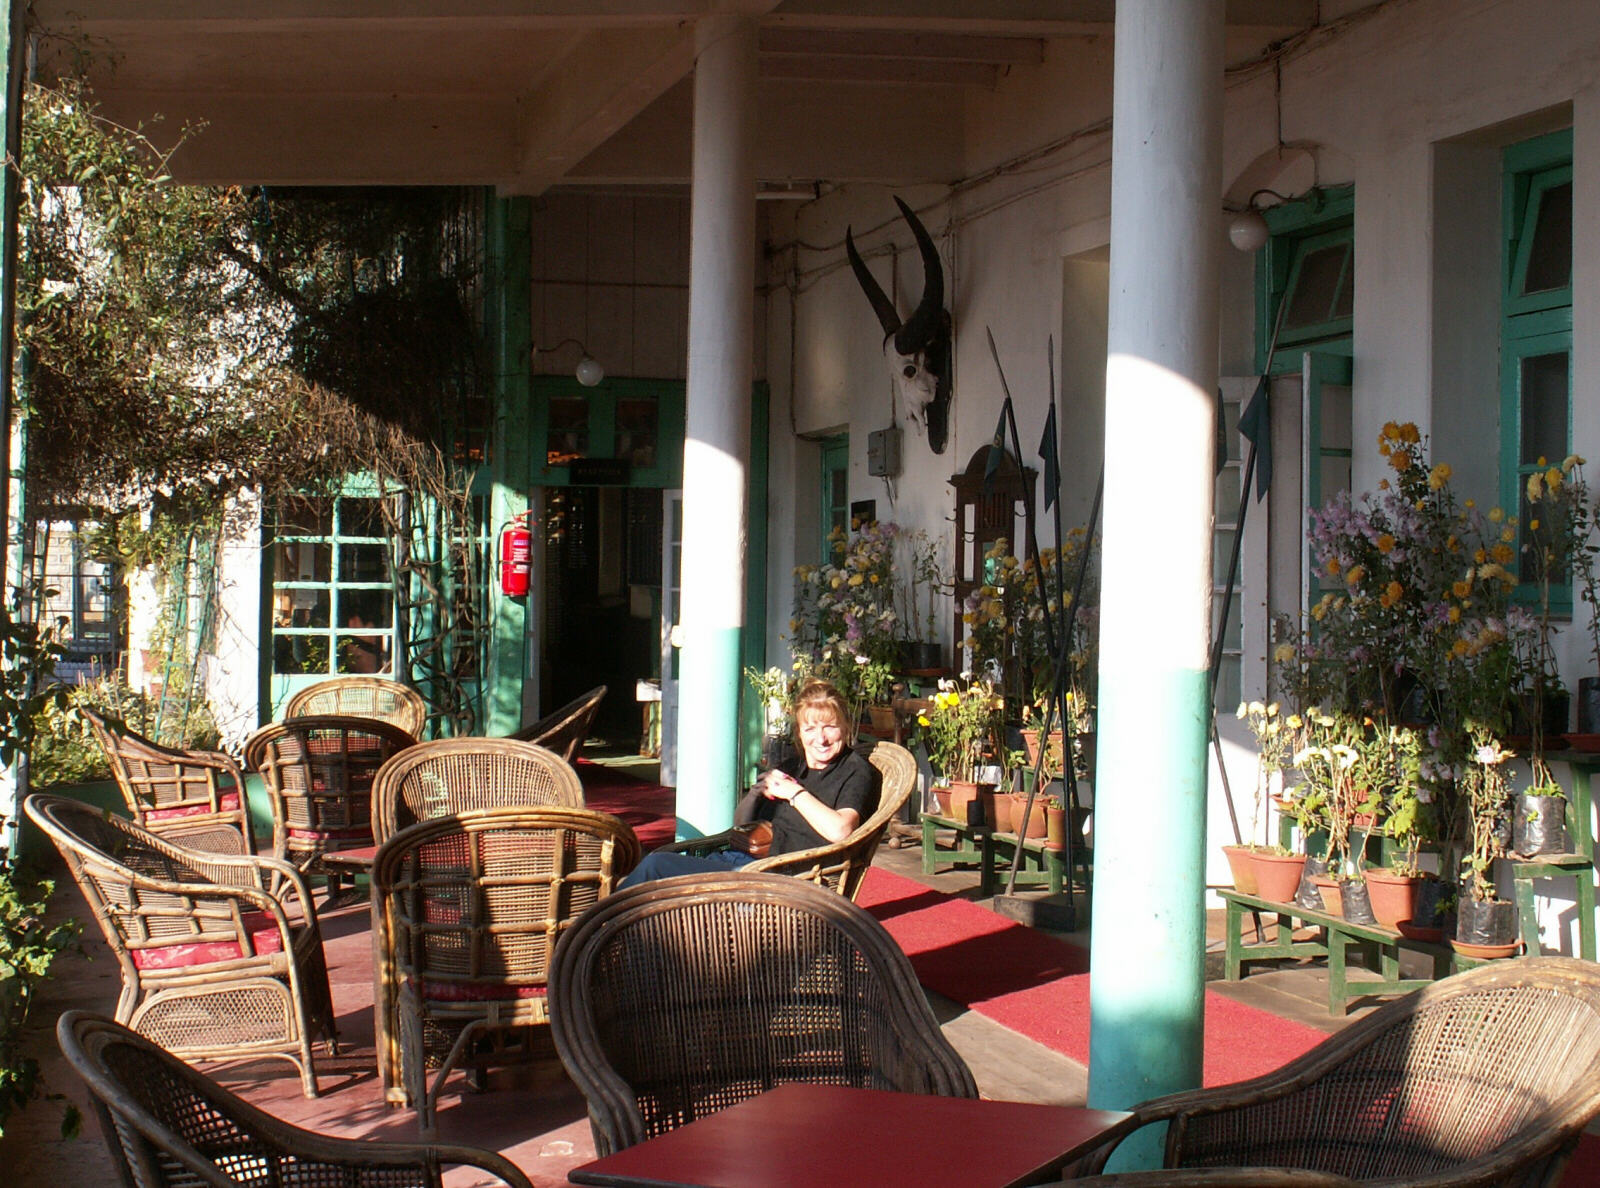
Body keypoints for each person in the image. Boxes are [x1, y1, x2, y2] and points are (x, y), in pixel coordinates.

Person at [620, 678, 879, 887]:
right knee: (653, 883)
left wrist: (795, 794)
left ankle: (595, 932)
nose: (820, 739)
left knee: (656, 867)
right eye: (810, 729)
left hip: (774, 877)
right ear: (799, 733)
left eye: (829, 727)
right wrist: (755, 793)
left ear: (844, 727)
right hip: (739, 861)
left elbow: (841, 830)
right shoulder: (792, 765)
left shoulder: (854, 770)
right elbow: (741, 825)